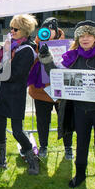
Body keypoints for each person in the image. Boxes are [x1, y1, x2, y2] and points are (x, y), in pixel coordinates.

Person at [39, 20, 95, 188]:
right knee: (82, 142)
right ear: (77, 38)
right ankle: (80, 175)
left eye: (89, 35)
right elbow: (55, 74)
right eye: (81, 36)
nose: (85, 39)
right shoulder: (72, 55)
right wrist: (46, 58)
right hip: (80, 109)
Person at [0, 14, 40, 175]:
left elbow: (15, 74)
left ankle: (32, 159)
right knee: (0, 127)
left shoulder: (27, 50)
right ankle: (1, 158)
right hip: (1, 93)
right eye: (11, 28)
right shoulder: (10, 45)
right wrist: (0, 51)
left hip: (14, 95)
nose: (12, 31)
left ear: (24, 31)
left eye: (15, 29)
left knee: (17, 131)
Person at [27, 17, 73, 160]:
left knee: (65, 120)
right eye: (44, 29)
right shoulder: (35, 45)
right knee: (42, 121)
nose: (47, 32)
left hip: (61, 91)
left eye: (50, 29)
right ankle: (43, 146)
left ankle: (68, 147)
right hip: (42, 92)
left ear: (56, 30)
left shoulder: (68, 45)